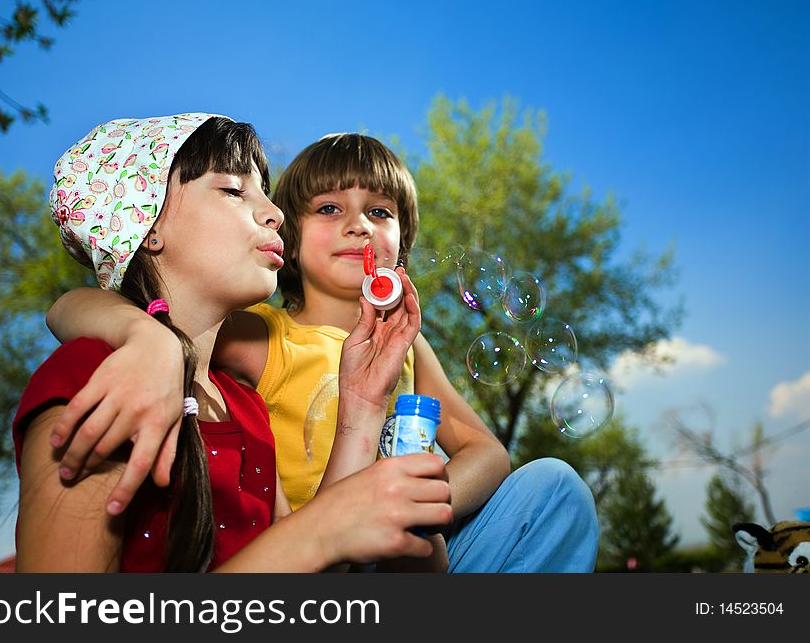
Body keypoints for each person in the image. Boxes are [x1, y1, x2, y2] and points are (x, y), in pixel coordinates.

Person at [45, 132, 599, 572]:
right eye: (329, 209)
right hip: (321, 555)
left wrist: (417, 503)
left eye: (380, 212)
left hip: (403, 544)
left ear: (401, 243)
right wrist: (149, 341)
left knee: (553, 487)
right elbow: (102, 305)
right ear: (289, 244)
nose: (358, 225)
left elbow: (489, 452)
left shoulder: (405, 343)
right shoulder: (261, 333)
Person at [14, 113, 452, 572]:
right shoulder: (100, 378)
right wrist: (319, 532)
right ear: (149, 227)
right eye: (233, 190)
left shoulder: (245, 408)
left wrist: (362, 406)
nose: (276, 214)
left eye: (264, 191)